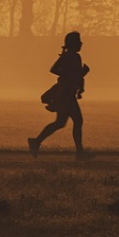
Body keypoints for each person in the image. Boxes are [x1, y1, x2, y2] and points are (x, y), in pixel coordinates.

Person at [29, 31, 92, 159]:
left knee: (60, 123)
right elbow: (54, 69)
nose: (81, 43)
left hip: (68, 93)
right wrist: (73, 75)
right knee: (77, 121)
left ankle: (35, 142)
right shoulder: (68, 56)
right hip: (66, 94)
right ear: (73, 44)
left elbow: (77, 75)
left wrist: (80, 87)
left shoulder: (75, 56)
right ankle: (79, 152)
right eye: (79, 41)